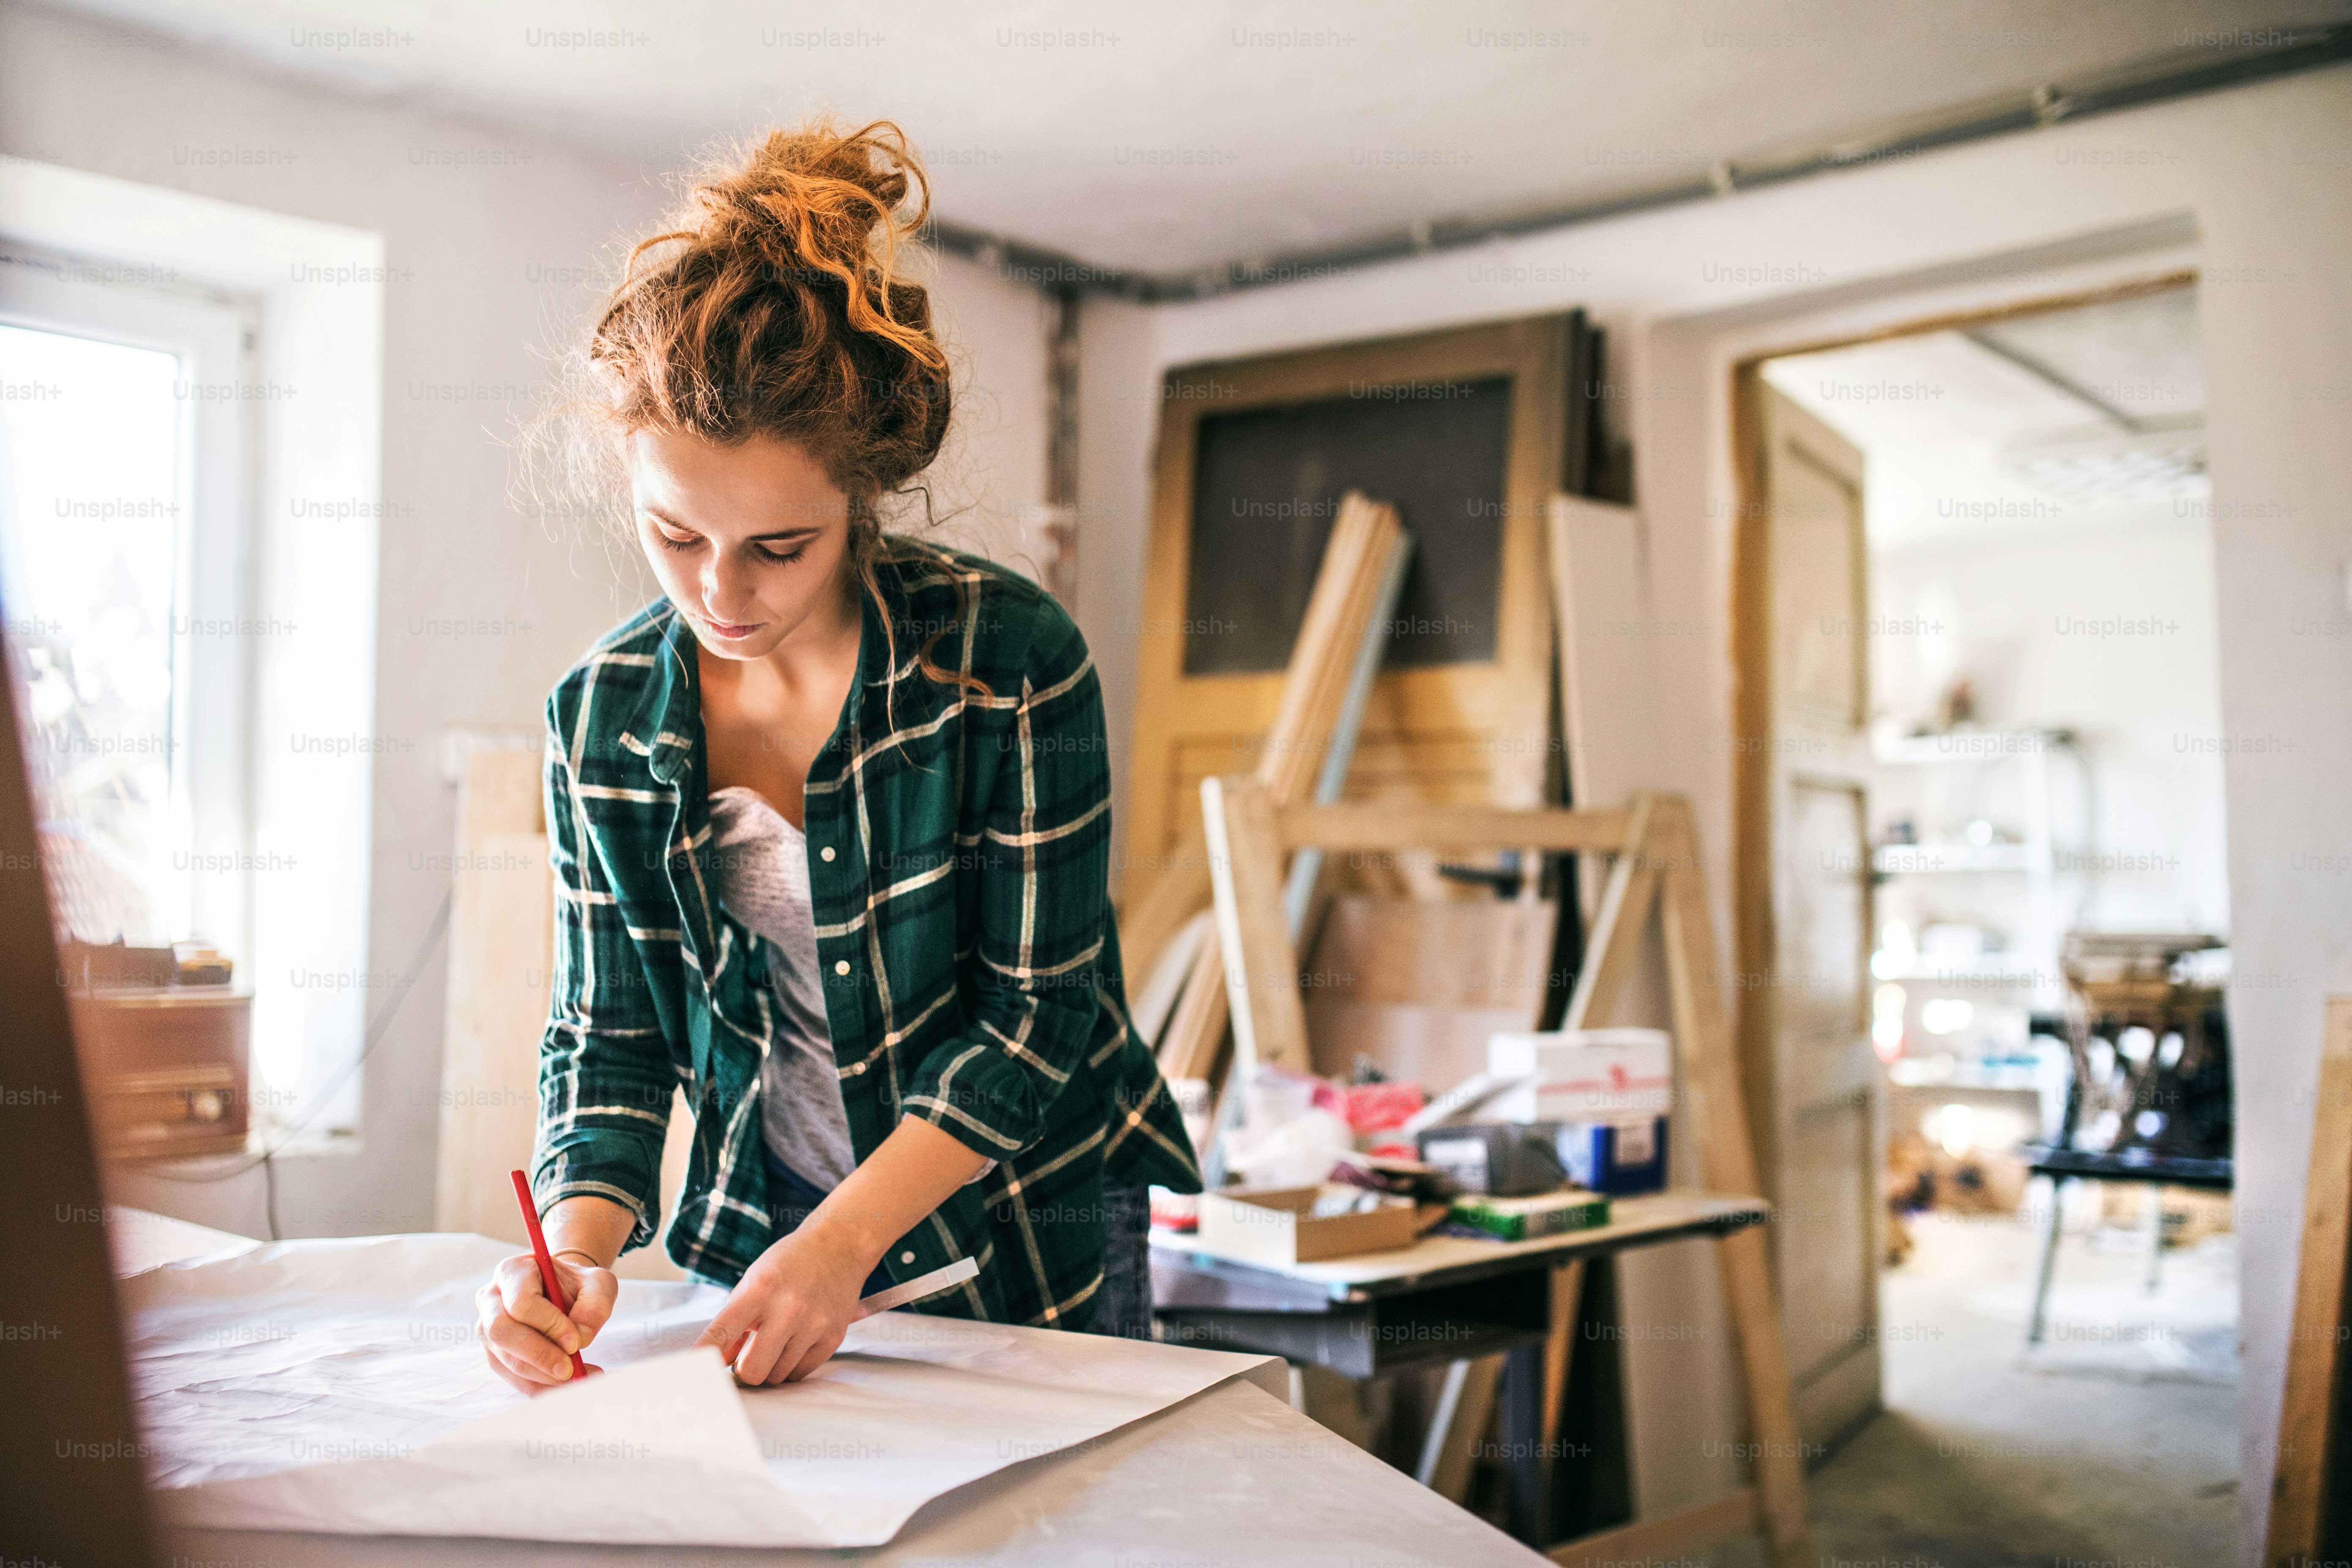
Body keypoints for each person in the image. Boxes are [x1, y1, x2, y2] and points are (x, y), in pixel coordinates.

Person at [475, 120, 1200, 1394]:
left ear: (863, 500)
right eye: (675, 535)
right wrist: (574, 1251)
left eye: (781, 546)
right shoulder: (602, 715)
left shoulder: (1008, 661)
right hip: (773, 1225)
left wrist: (849, 1241)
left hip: (1031, 1218)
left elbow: (1035, 1022)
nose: (722, 593)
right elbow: (611, 1032)